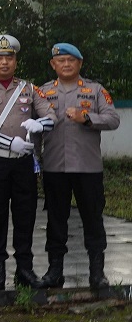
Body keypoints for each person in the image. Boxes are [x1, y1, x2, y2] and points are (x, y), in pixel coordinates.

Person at [0, 34, 55, 290]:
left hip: (23, 163)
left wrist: (40, 123)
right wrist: (8, 143)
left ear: (15, 61)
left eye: (9, 57)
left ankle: (24, 269)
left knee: (25, 214)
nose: (4, 62)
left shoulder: (29, 89)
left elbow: (51, 115)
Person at [38, 43, 120, 290]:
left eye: (70, 60)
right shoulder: (42, 92)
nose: (65, 64)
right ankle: (55, 272)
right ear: (53, 65)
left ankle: (97, 273)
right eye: (60, 61)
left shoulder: (95, 91)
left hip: (88, 168)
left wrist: (88, 118)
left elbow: (113, 119)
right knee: (55, 221)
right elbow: (33, 129)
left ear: (79, 63)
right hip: (54, 167)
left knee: (93, 219)